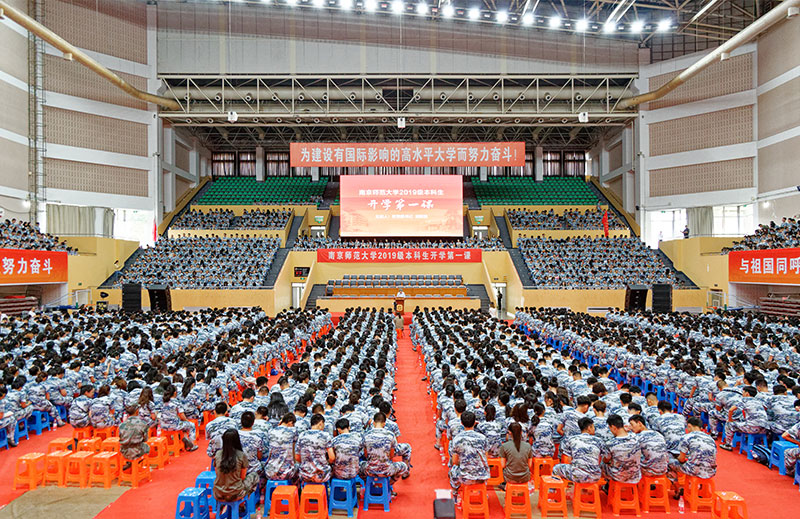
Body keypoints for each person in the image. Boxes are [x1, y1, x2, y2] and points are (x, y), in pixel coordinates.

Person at [213, 429, 259, 516]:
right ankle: (241, 504)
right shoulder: (241, 455)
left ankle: (224, 506)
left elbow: (217, 474)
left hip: (218, 493)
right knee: (254, 476)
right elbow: (242, 477)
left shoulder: (218, 454)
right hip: (235, 493)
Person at [668, 417, 717, 493]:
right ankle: (703, 490)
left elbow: (681, 459)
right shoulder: (710, 438)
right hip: (711, 471)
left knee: (669, 462)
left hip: (694, 470)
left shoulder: (686, 437)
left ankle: (677, 488)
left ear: (689, 426)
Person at [448, 411, 489, 501]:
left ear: (461, 423)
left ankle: (455, 494)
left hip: (465, 477)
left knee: (453, 470)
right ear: (475, 422)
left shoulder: (457, 439)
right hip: (482, 476)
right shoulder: (483, 438)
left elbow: (455, 461)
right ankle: (483, 493)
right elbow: (486, 458)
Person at [363, 412, 410, 485]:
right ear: (384, 423)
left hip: (370, 470)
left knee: (359, 466)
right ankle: (389, 484)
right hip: (387, 470)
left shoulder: (366, 435)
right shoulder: (390, 435)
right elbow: (391, 456)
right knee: (403, 466)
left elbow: (366, 455)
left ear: (373, 423)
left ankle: (368, 485)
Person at [552, 417, 603, 483]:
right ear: (589, 428)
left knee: (556, 468)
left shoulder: (572, 439)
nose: (594, 429)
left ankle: (553, 491)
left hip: (577, 476)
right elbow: (600, 459)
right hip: (595, 476)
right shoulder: (599, 441)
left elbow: (569, 460)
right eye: (593, 427)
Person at [721, 386, 768, 451]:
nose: (742, 394)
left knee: (729, 424)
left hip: (752, 428)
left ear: (747, 393)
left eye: (743, 392)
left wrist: (730, 420)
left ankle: (728, 444)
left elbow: (731, 410)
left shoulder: (744, 400)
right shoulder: (759, 401)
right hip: (764, 429)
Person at [601, 414, 642, 484]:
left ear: (613, 427)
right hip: (635, 476)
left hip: (619, 476)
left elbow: (606, 460)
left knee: (602, 463)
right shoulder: (636, 437)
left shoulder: (610, 443)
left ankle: (607, 486)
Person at [296, 414, 334, 484]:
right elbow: (332, 458)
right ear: (320, 423)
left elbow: (297, 457)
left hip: (305, 475)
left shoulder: (302, 435)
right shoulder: (325, 435)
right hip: (321, 476)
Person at [159, 384, 198, 452]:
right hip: (174, 425)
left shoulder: (163, 401)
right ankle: (192, 445)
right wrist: (187, 421)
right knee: (191, 425)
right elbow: (182, 416)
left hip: (163, 425)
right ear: (175, 393)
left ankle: (185, 440)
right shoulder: (176, 402)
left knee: (184, 425)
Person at [265, 412, 298, 481]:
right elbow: (293, 451)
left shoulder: (271, 431)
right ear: (290, 422)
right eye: (293, 424)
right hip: (286, 473)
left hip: (270, 472)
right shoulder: (293, 431)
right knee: (299, 468)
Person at [498, 422, 532, 489]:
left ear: (509, 432)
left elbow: (503, 465)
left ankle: (505, 486)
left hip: (510, 478)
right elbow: (530, 465)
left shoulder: (504, 446)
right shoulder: (528, 446)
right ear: (521, 432)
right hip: (525, 477)